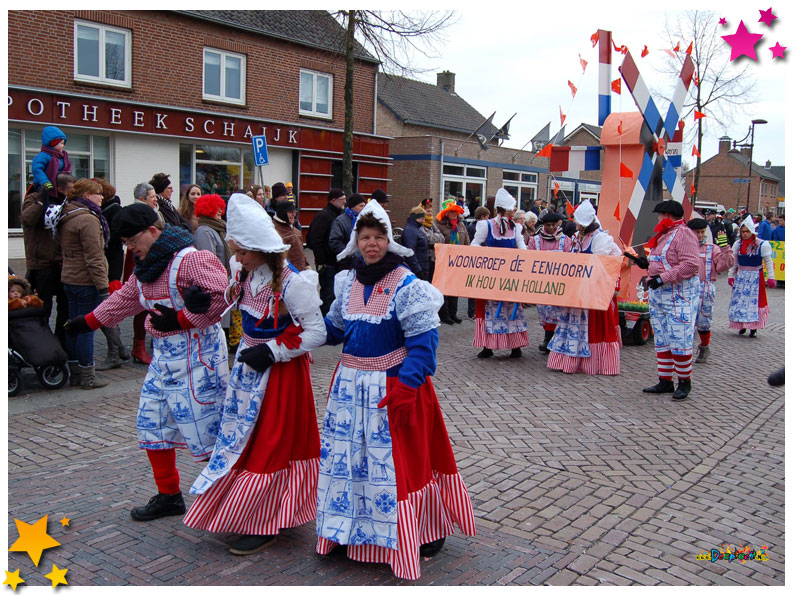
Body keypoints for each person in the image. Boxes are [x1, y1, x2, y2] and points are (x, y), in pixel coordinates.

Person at [316, 199, 476, 580]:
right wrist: (298, 326)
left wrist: (408, 386)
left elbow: (423, 343)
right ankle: (350, 530)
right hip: (350, 389)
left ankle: (420, 530)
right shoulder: (348, 280)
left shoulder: (408, 285)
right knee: (351, 462)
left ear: (390, 240)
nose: (372, 244)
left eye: (379, 237)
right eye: (365, 237)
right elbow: (336, 330)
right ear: (357, 241)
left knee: (402, 467)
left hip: (394, 388)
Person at [65, 202, 229, 522]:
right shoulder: (146, 269)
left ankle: (228, 499)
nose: (130, 249)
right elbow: (124, 301)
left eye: (132, 241)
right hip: (164, 360)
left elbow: (223, 298)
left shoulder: (192, 259)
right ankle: (169, 496)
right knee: (152, 426)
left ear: (153, 232)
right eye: (124, 243)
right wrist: (88, 322)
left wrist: (183, 318)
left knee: (208, 433)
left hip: (199, 360)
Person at [184, 194, 325, 555]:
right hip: (248, 369)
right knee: (241, 438)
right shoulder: (242, 272)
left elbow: (316, 332)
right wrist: (199, 305)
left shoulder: (294, 284)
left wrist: (274, 350)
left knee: (270, 443)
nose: (237, 257)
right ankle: (248, 512)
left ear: (261, 249)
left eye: (242, 251)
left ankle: (265, 520)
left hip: (280, 376)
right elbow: (227, 306)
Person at [634, 200, 700, 401]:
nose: (658, 219)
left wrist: (663, 278)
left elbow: (691, 265)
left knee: (679, 340)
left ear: (668, 216)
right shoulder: (663, 235)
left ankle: (684, 382)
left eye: (660, 215)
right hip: (660, 296)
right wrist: (645, 264)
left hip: (679, 296)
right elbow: (661, 262)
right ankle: (665, 381)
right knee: (662, 340)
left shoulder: (684, 234)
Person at [547, 201, 622, 375]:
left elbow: (600, 264)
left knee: (591, 327)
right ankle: (569, 360)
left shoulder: (600, 238)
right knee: (571, 324)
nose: (576, 224)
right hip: (577, 290)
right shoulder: (578, 237)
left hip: (592, 291)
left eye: (579, 222)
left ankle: (592, 363)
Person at [470, 188, 529, 359]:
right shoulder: (486, 225)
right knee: (489, 309)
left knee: (513, 309)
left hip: (511, 275)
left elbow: (521, 246)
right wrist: (488, 254)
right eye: (510, 209)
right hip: (490, 275)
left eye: (513, 209)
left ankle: (515, 346)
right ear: (501, 210)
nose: (513, 212)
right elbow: (475, 244)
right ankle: (488, 346)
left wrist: (526, 258)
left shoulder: (516, 227)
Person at [21, 172, 75, 350]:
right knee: (42, 309)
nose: (72, 192)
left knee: (65, 307)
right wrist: (42, 200)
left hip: (61, 264)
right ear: (58, 188)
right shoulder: (35, 199)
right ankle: (42, 345)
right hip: (41, 265)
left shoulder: (65, 203)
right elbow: (27, 219)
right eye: (69, 188)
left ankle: (60, 343)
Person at [685, 219, 734, 364]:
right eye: (697, 232)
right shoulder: (684, 248)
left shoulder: (712, 248)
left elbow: (722, 266)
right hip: (687, 288)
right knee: (686, 319)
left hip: (706, 288)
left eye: (702, 232)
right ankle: (685, 350)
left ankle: (704, 346)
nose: (700, 235)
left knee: (704, 320)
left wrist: (725, 249)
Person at [124, 182, 163, 365]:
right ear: (141, 199)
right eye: (152, 196)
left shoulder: (155, 213)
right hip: (142, 263)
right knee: (141, 306)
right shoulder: (137, 217)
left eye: (155, 195)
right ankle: (138, 347)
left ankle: (147, 344)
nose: (155, 199)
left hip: (154, 261)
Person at [94, 177, 130, 370]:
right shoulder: (108, 210)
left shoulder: (112, 211)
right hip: (109, 264)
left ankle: (114, 352)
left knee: (105, 309)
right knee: (104, 309)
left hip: (109, 266)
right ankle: (119, 348)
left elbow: (117, 236)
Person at [527, 212, 573, 353]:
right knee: (544, 312)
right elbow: (529, 259)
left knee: (559, 313)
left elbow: (571, 261)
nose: (551, 227)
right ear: (543, 225)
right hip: (542, 283)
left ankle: (555, 339)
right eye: (548, 225)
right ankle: (548, 337)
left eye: (553, 225)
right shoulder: (535, 240)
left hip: (560, 284)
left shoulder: (565, 240)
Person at [193, 194, 234, 341]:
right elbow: (208, 261)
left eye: (220, 208)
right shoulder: (205, 231)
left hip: (224, 280)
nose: (220, 211)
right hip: (214, 284)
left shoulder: (219, 228)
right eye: (216, 208)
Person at [728, 215, 775, 338]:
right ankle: (741, 324)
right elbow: (734, 261)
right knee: (740, 301)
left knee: (754, 303)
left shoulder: (761, 245)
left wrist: (771, 277)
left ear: (752, 231)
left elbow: (768, 262)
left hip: (755, 277)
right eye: (743, 232)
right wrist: (731, 275)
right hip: (741, 277)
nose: (745, 234)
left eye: (747, 231)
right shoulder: (738, 245)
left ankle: (753, 327)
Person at [307, 188, 346, 315]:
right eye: (342, 200)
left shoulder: (338, 215)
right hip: (327, 264)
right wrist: (321, 262)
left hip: (335, 262)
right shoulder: (324, 216)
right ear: (333, 200)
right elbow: (315, 239)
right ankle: (325, 321)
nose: (344, 202)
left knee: (334, 294)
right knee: (328, 295)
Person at [435, 198, 470, 324]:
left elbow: (466, 240)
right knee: (444, 290)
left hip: (458, 261)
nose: (454, 214)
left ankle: (453, 314)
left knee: (455, 289)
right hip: (445, 261)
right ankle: (445, 315)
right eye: (452, 212)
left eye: (456, 212)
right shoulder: (439, 225)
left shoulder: (461, 225)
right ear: (446, 213)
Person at [329, 193, 367, 270]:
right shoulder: (340, 221)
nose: (363, 209)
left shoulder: (366, 220)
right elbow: (335, 242)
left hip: (364, 262)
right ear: (352, 207)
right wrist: (350, 254)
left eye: (364, 206)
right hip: (347, 264)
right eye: (360, 206)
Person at [31, 126, 71, 197]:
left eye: (63, 143)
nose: (63, 145)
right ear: (53, 143)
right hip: (46, 187)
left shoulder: (63, 156)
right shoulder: (43, 156)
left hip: (59, 186)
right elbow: (37, 170)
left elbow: (67, 169)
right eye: (61, 143)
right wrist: (45, 182)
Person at [466, 206, 491, 319]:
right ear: (482, 217)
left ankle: (479, 309)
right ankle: (472, 311)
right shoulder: (473, 228)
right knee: (474, 286)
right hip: (476, 259)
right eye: (487, 217)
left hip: (483, 259)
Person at [272, 200, 310, 270]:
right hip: (285, 275)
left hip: (300, 274)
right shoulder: (274, 231)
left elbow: (301, 253)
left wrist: (307, 266)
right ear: (282, 213)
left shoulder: (296, 231)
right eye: (290, 212)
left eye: (294, 212)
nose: (294, 215)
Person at [400, 206, 430, 280]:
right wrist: (418, 270)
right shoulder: (411, 230)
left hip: (420, 267)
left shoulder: (414, 229)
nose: (424, 220)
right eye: (423, 218)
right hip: (417, 270)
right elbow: (410, 251)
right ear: (417, 217)